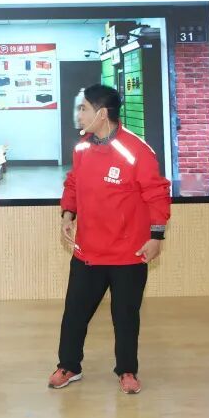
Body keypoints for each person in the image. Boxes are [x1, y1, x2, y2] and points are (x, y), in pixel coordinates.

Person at [48, 84, 171, 395]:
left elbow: (157, 194)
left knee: (125, 317)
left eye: (84, 109)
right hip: (88, 251)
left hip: (128, 253)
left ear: (101, 114)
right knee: (74, 314)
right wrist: (68, 213)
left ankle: (127, 370)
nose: (79, 115)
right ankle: (69, 366)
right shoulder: (82, 148)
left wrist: (156, 236)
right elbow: (73, 183)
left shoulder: (137, 151)